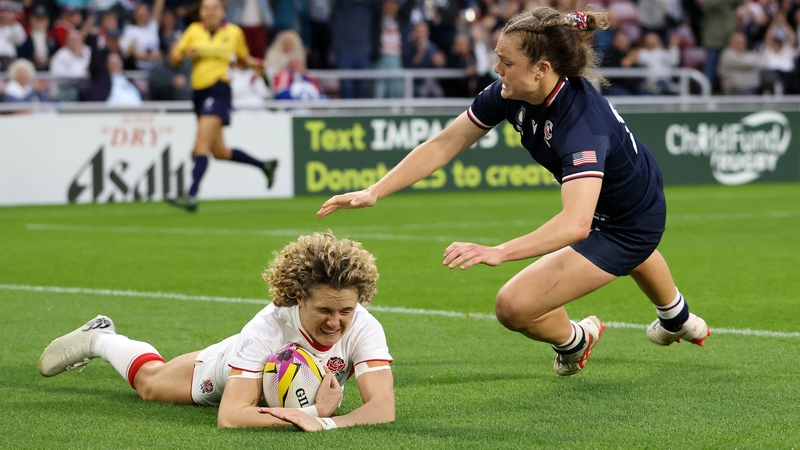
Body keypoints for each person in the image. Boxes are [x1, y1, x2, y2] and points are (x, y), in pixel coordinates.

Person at [317, 7, 711, 377]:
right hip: (621, 202)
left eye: (506, 63)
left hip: (628, 223)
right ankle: (671, 320)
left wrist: (500, 251)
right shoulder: (510, 93)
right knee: (623, 242)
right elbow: (445, 144)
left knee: (512, 305)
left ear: (542, 69)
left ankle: (577, 339)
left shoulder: (580, 124)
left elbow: (576, 223)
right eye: (497, 57)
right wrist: (375, 191)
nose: (496, 68)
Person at [38, 232, 395, 432]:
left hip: (286, 395)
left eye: (345, 310)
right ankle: (100, 338)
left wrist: (325, 423)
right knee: (149, 383)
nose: (336, 322)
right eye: (324, 311)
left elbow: (382, 407)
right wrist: (313, 413)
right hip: (227, 367)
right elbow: (230, 416)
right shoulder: (267, 327)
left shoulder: (364, 326)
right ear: (299, 298)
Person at [166, 0, 278, 212]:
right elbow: (174, 60)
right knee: (219, 151)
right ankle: (265, 165)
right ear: (200, 12)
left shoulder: (234, 32)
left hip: (219, 91)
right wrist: (182, 55)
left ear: (222, 11)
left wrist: (256, 64)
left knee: (200, 144)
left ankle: (191, 195)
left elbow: (242, 59)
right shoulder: (193, 31)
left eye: (215, 7)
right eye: (206, 8)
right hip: (199, 95)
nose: (210, 11)